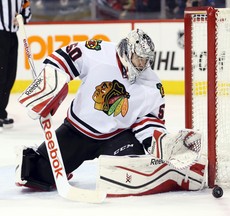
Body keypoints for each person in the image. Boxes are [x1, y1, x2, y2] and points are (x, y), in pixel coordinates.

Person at [15, 29, 206, 194]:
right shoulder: (99, 52)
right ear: (127, 50)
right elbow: (63, 59)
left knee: (132, 171)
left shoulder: (152, 86)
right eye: (138, 58)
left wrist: (157, 141)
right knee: (35, 174)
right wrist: (49, 84)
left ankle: (169, 173)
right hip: (76, 132)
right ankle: (63, 165)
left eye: (145, 60)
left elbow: (148, 123)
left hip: (117, 138)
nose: (141, 64)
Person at [0, 0, 32, 131]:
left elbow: (27, 10)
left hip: (13, 36)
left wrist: (22, 18)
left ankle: (1, 113)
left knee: (9, 77)